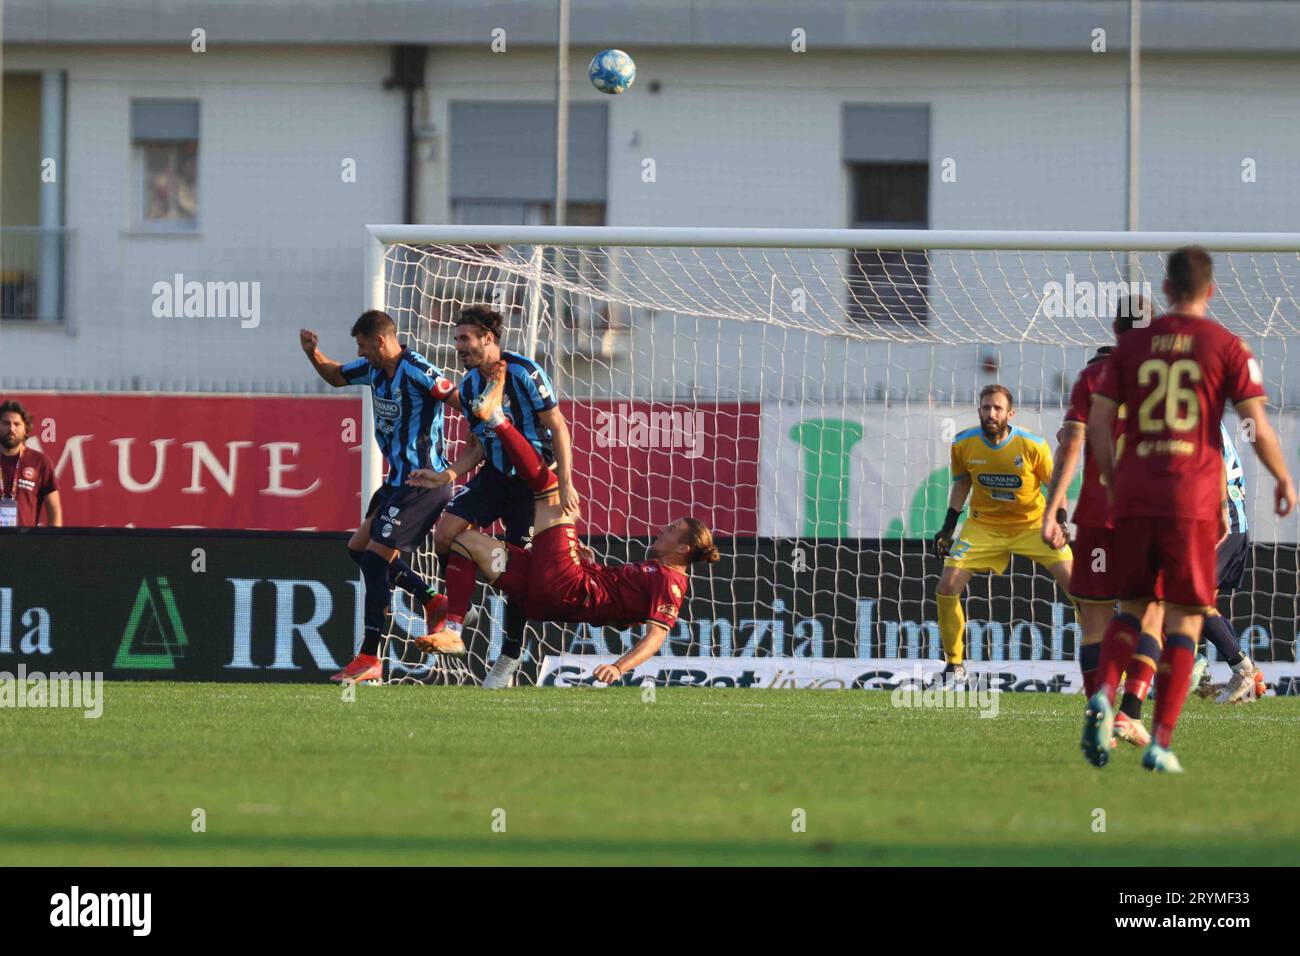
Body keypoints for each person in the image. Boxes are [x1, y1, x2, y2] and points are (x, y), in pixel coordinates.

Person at [1082, 245, 1296, 773]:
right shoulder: (1225, 346)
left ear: (1166, 290)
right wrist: (1282, 476)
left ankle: (1108, 701)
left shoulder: (1130, 348)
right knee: (1183, 613)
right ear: (1211, 289)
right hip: (1191, 501)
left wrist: (1111, 479)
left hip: (1134, 495)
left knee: (1132, 608)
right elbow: (1255, 425)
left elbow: (1100, 421)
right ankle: (1159, 741)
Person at [409, 363, 718, 684]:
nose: (662, 530)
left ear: (683, 548)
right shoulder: (652, 573)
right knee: (464, 541)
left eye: (671, 531)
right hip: (543, 594)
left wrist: (618, 666)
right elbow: (618, 600)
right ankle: (455, 629)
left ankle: (497, 417)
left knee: (549, 487)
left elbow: (655, 637)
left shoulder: (671, 583)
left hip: (567, 585)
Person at [299, 310, 469, 683]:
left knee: (375, 561)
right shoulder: (373, 369)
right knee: (358, 549)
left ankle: (369, 656)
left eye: (363, 346)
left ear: (380, 341)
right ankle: (431, 599)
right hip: (397, 483)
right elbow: (336, 375)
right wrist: (314, 353)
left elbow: (460, 401)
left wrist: (466, 455)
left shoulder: (417, 370)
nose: (361, 353)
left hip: (423, 483)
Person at [424, 305, 577, 689]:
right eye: (456, 338)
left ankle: (510, 653)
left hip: (534, 482)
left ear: (487, 339)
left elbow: (558, 426)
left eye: (464, 338)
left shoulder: (525, 373)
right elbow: (477, 447)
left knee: (518, 573)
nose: (458, 345)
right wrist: (448, 474)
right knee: (445, 534)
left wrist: (568, 483)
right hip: (494, 475)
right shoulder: (471, 384)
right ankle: (460, 614)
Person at [932, 384, 1074, 686]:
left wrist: (1060, 522)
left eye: (997, 408)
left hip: (1033, 524)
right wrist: (948, 527)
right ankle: (954, 665)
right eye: (986, 407)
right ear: (979, 410)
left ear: (1010, 413)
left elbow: (1056, 485)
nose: (991, 413)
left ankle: (1116, 670)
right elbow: (962, 484)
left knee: (1080, 588)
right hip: (983, 525)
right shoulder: (963, 444)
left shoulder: (1032, 445)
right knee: (946, 587)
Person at [0, 399, 61, 528]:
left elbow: (54, 511)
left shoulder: (40, 462)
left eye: (17, 424)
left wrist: (54, 544)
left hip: (24, 544)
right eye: (6, 423)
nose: (11, 428)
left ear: (25, 429)